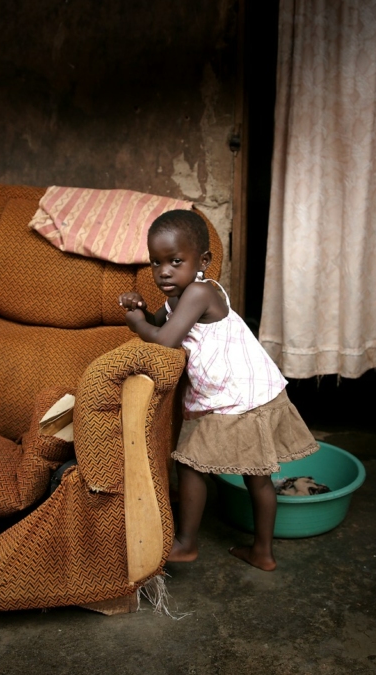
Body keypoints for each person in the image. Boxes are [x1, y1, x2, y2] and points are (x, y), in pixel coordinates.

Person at [118, 210, 318, 571]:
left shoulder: (199, 291)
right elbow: (158, 325)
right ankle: (262, 552)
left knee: (193, 466)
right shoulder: (177, 298)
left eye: (175, 261)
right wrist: (141, 310)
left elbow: (163, 341)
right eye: (156, 263)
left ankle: (186, 542)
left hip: (240, 397)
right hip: (246, 393)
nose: (164, 271)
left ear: (203, 261)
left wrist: (135, 324)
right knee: (258, 478)